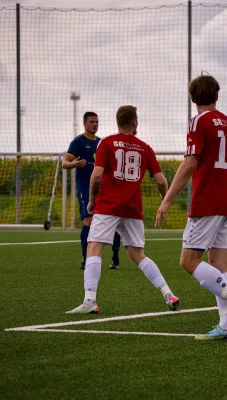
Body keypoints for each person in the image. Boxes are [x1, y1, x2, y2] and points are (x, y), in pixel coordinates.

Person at [156, 74, 227, 341]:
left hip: (207, 200)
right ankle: (225, 324)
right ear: (216, 96)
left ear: (192, 98)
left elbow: (190, 162)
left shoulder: (199, 121)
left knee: (188, 261)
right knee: (220, 263)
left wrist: (166, 201)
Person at [66, 106, 180, 314]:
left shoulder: (106, 143)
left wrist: (92, 200)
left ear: (117, 122)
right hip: (132, 208)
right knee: (138, 254)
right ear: (135, 122)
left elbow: (97, 176)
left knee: (94, 248)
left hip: (108, 205)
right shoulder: (145, 148)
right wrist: (165, 201)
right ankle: (168, 294)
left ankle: (90, 300)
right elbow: (162, 181)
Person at [63, 112, 121, 270]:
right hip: (84, 187)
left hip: (104, 188)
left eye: (97, 122)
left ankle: (115, 255)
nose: (95, 124)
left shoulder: (103, 143)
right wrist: (75, 164)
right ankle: (85, 257)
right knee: (88, 220)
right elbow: (65, 163)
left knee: (112, 222)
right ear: (85, 124)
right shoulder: (78, 142)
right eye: (92, 122)